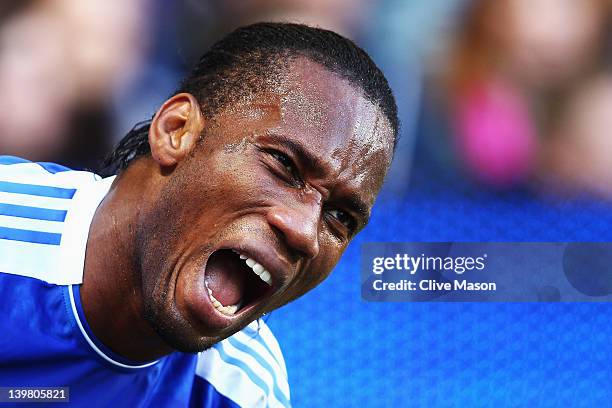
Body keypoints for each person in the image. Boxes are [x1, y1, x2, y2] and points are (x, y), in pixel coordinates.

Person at [0, 22, 398, 407]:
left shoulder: (243, 390)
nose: (304, 233)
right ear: (176, 130)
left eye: (341, 218)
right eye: (284, 165)